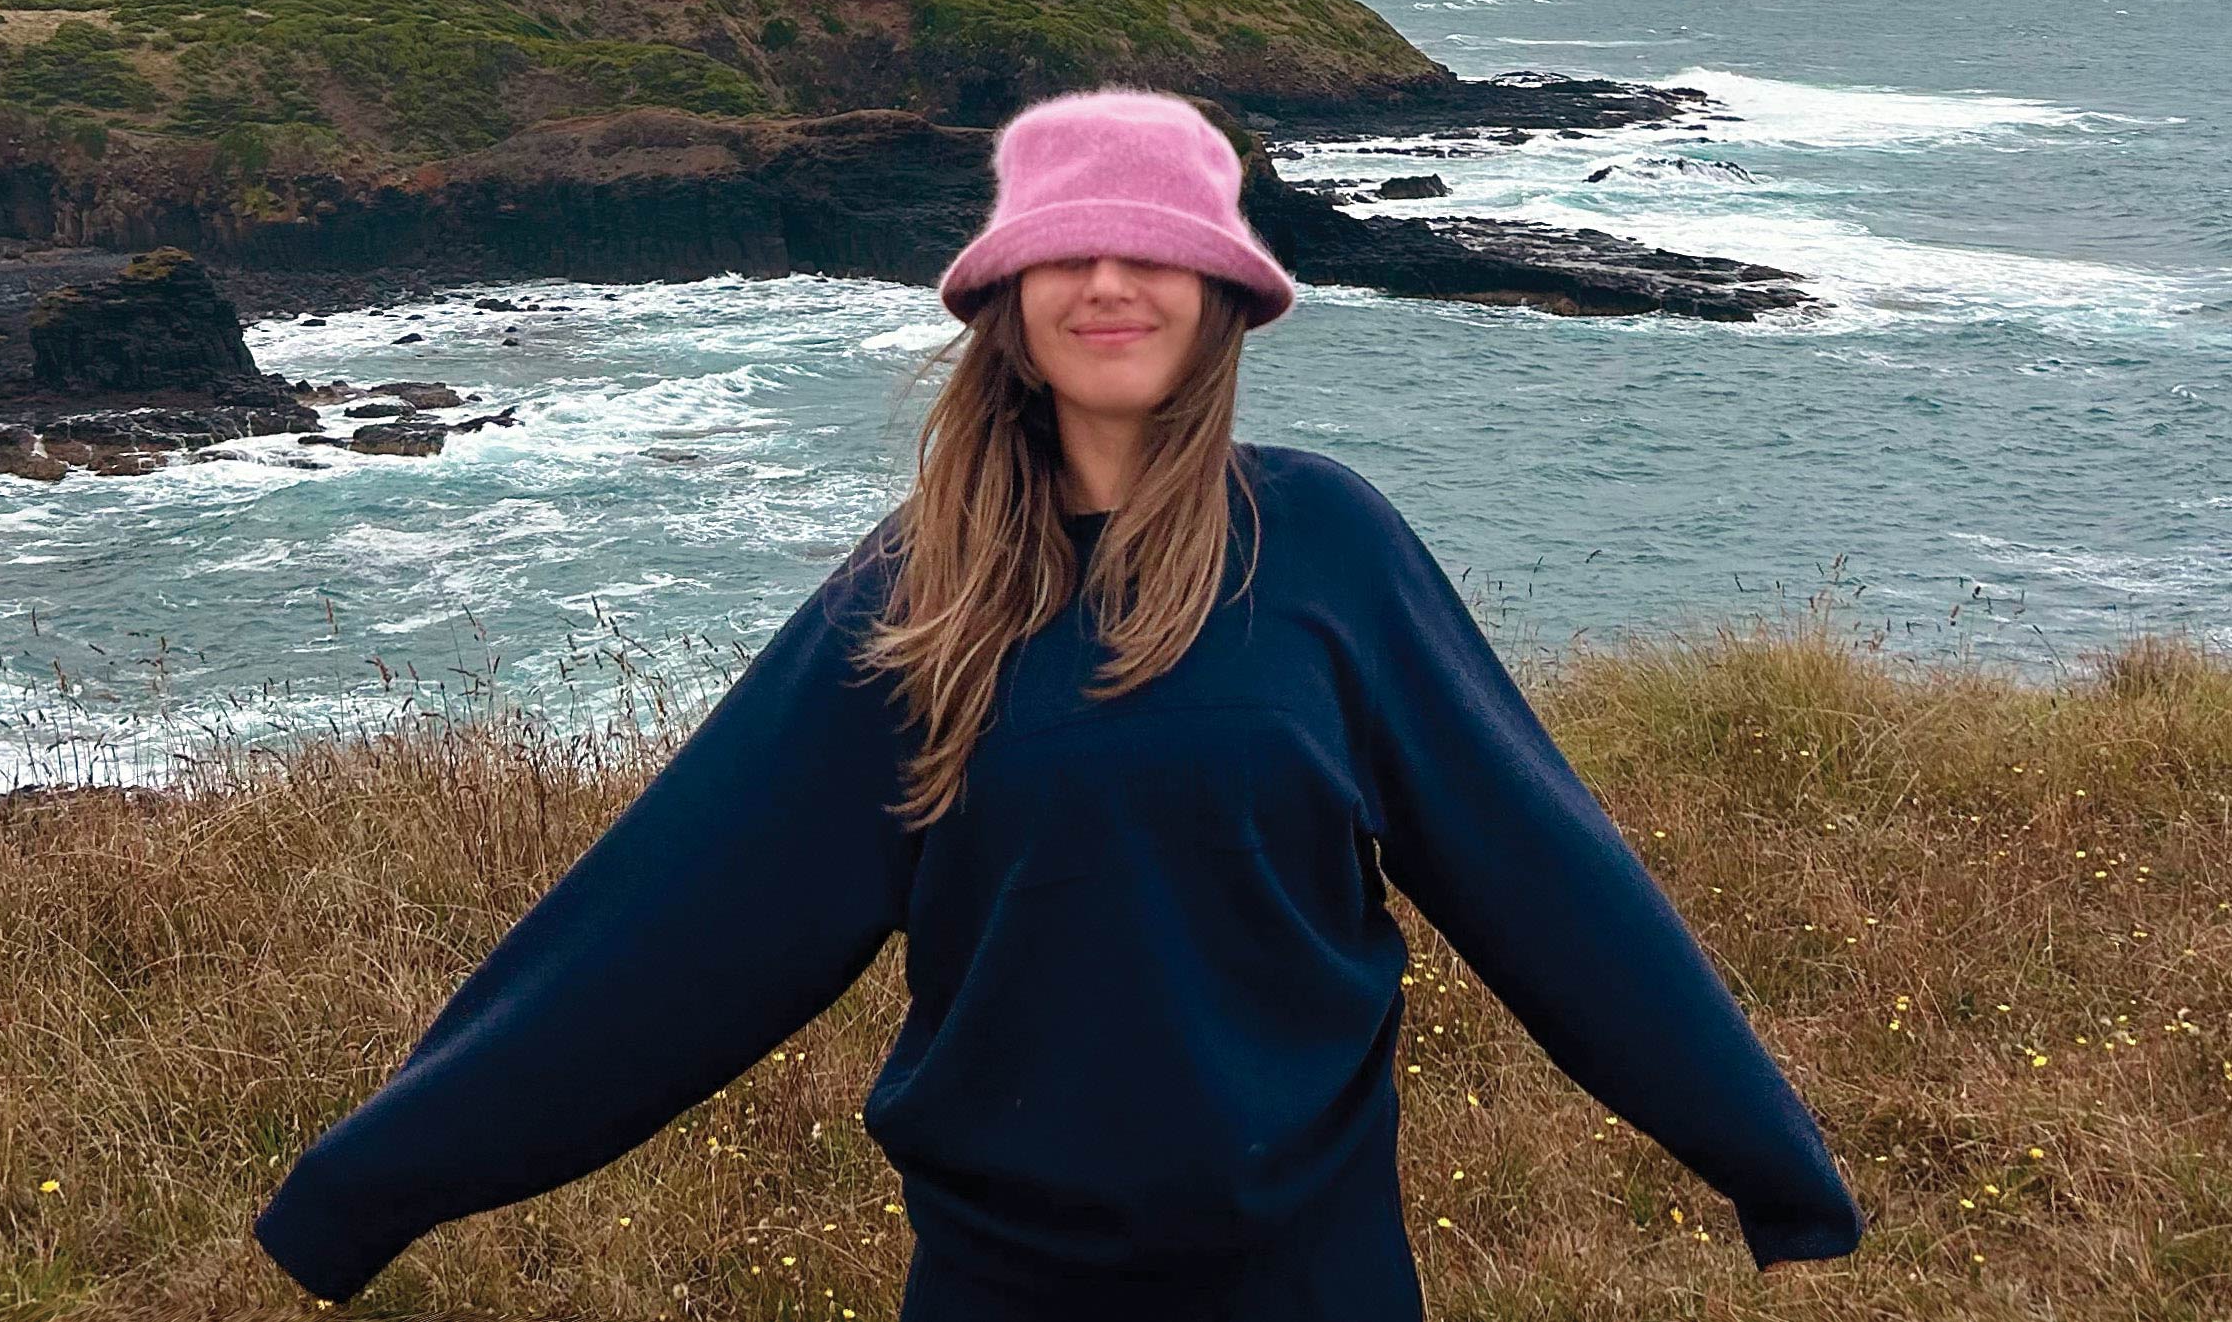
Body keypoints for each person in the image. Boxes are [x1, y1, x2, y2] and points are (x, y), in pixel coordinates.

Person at [254, 87, 1861, 1316]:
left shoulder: (1325, 547)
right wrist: (367, 1183)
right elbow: (670, 927)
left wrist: (1765, 1157)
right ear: (1005, 300)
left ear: (1220, 292)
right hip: (1003, 1283)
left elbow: (1550, 882)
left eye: (1153, 248)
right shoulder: (918, 597)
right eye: (1065, 252)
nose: (1109, 282)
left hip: (1310, 1276)